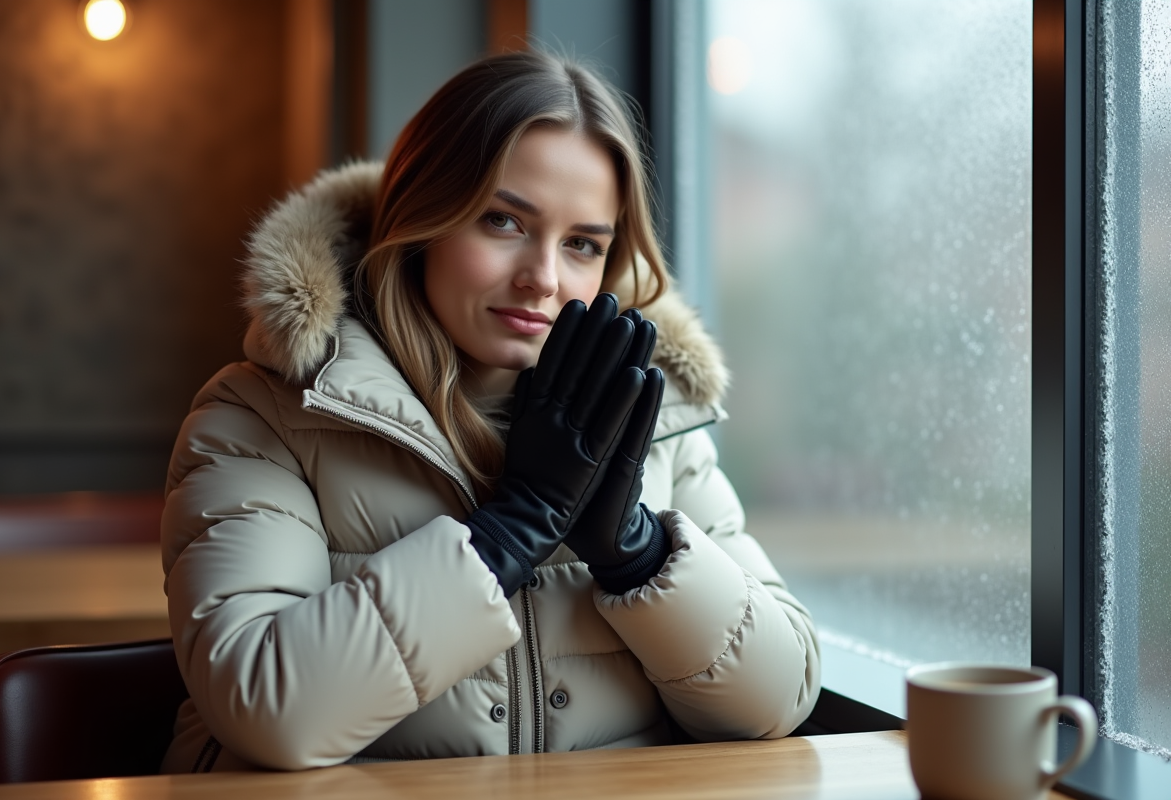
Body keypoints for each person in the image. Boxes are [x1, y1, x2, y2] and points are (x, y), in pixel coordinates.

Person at [160, 49, 820, 774]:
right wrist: (508, 531)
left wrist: (638, 552)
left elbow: (779, 696)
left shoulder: (654, 420)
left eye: (582, 244)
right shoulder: (261, 417)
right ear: (422, 219)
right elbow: (267, 708)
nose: (544, 278)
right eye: (503, 221)